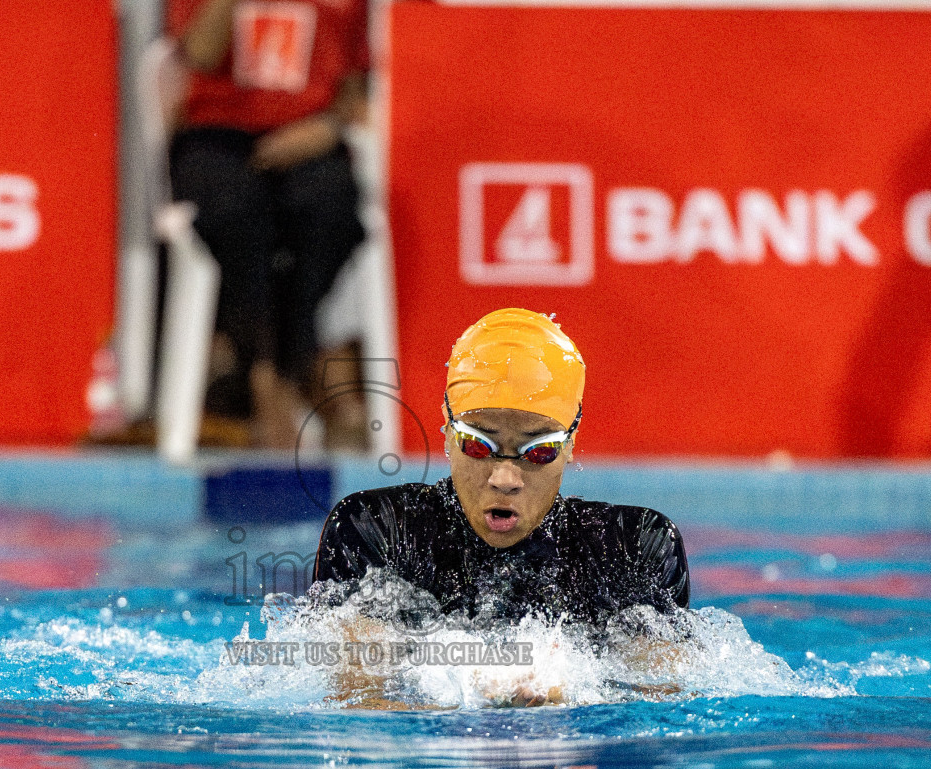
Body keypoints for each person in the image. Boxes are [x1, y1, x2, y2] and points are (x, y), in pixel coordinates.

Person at [311, 308, 691, 705]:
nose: (505, 478)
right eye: (479, 445)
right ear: (447, 427)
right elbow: (355, 702)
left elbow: (662, 705)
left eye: (539, 450)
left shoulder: (632, 546)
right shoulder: (378, 529)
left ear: (570, 444)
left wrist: (571, 702)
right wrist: (468, 707)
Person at [168, 0, 369, 448]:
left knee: (329, 209)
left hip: (313, 131)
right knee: (233, 212)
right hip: (218, 134)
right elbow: (198, 54)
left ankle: (270, 369)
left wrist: (331, 127)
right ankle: (276, 373)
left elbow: (363, 83)